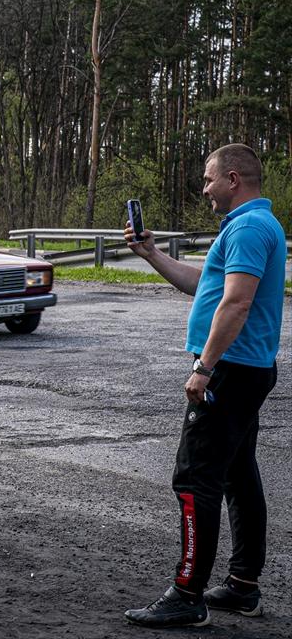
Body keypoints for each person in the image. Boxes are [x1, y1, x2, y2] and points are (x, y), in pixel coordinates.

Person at [123, 143, 285, 628]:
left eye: (210, 179)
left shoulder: (251, 228)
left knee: (195, 479)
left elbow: (235, 304)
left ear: (233, 179)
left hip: (230, 370)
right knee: (237, 475)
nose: (204, 187)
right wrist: (150, 253)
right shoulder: (247, 226)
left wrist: (205, 367)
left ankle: (187, 594)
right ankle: (242, 586)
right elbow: (205, 285)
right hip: (244, 368)